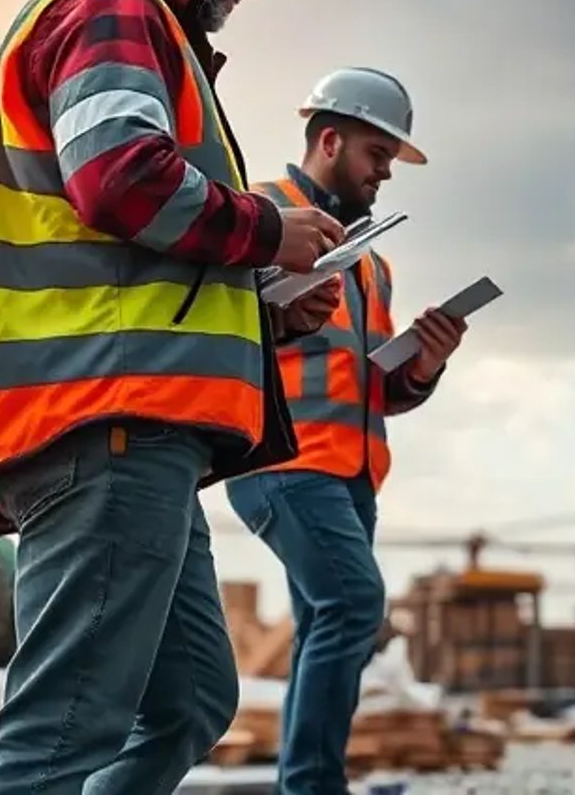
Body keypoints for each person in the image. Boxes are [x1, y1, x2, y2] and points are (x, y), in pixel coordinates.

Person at [0, 0, 347, 794]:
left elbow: (121, 239)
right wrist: (266, 231)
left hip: (134, 424)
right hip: (102, 419)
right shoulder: (118, 5)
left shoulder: (123, 17)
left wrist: (259, 307)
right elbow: (118, 175)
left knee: (191, 700)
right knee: (61, 733)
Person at [227, 66, 469, 795]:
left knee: (325, 624)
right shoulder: (260, 215)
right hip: (283, 461)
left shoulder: (373, 262)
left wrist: (426, 362)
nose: (383, 175)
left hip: (351, 474)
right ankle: (312, 786)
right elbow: (217, 328)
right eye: (376, 157)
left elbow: (378, 387)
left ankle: (305, 782)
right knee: (354, 605)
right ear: (329, 139)